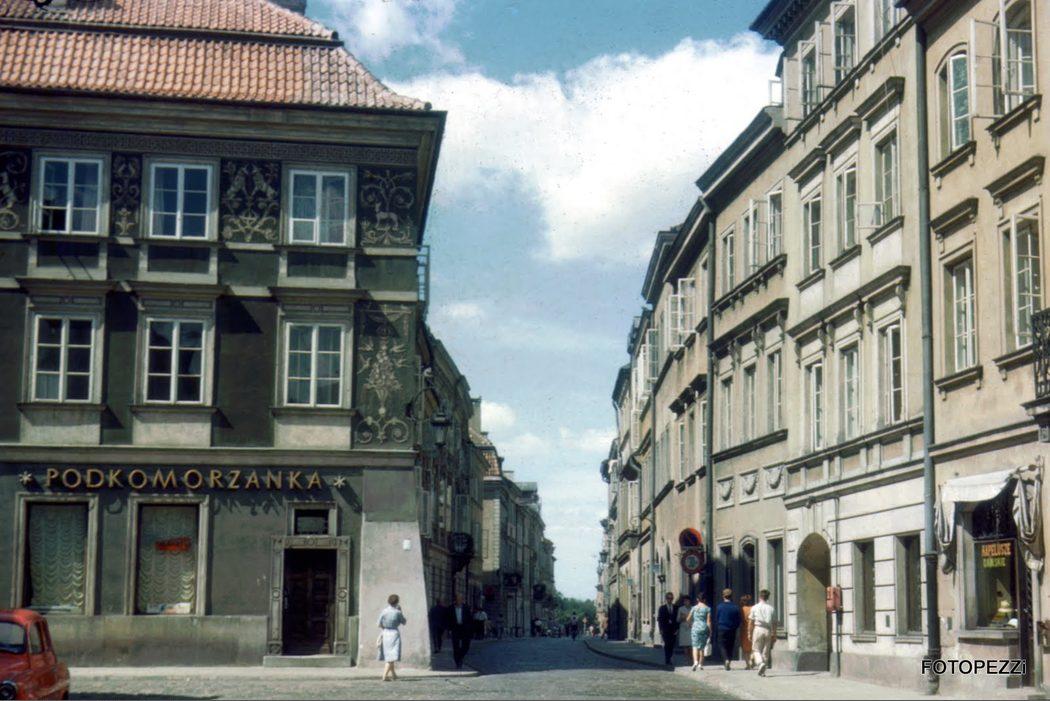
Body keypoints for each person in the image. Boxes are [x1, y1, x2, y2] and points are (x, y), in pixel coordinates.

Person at [378, 594, 407, 682]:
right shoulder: (397, 612)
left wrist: (385, 628)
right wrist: (401, 611)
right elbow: (404, 622)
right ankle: (384, 676)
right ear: (397, 602)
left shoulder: (384, 611)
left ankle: (394, 675)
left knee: (389, 655)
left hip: (385, 633)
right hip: (394, 633)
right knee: (392, 656)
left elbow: (379, 624)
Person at [749, 589, 777, 677]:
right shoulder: (771, 608)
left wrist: (749, 633)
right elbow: (774, 623)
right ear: (768, 597)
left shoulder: (754, 607)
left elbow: (751, 621)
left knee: (756, 649)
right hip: (768, 630)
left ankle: (760, 663)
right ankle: (763, 671)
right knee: (766, 651)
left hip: (758, 628)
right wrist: (774, 634)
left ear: (760, 596)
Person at [715, 588, 742, 670]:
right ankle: (729, 661)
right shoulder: (736, 607)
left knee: (722, 645)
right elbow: (738, 620)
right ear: (731, 596)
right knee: (730, 646)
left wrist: (717, 626)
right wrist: (736, 627)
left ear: (723, 596)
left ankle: (725, 659)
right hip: (732, 629)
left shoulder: (719, 607)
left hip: (722, 628)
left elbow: (717, 618)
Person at [686, 593, 712, 672]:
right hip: (704, 627)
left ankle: (695, 662)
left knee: (695, 646)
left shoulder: (694, 608)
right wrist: (710, 631)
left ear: (697, 599)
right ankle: (701, 664)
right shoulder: (707, 608)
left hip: (695, 627)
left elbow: (688, 619)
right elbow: (708, 621)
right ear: (704, 600)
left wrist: (690, 625)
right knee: (702, 647)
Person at [449, 594, 472, 670]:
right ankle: (458, 662)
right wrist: (449, 629)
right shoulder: (451, 608)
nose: (459, 601)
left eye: (460, 599)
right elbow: (448, 619)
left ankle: (461, 656)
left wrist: (470, 629)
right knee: (456, 646)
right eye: (457, 599)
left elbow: (470, 619)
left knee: (466, 645)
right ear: (455, 600)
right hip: (455, 628)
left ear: (462, 600)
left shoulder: (466, 608)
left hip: (464, 628)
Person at [657, 592, 680, 666]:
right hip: (665, 629)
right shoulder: (662, 608)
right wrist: (660, 629)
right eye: (668, 598)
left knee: (672, 644)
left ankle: (670, 657)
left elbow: (678, 619)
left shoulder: (676, 608)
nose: (670, 600)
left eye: (671, 598)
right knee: (667, 644)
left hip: (673, 630)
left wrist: (677, 629)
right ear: (666, 599)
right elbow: (660, 619)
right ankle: (667, 659)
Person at [739, 594, 754, 670]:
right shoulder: (753, 608)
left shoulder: (742, 609)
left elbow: (740, 620)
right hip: (752, 629)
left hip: (744, 629)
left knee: (745, 649)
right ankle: (752, 659)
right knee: (752, 646)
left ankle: (748, 664)